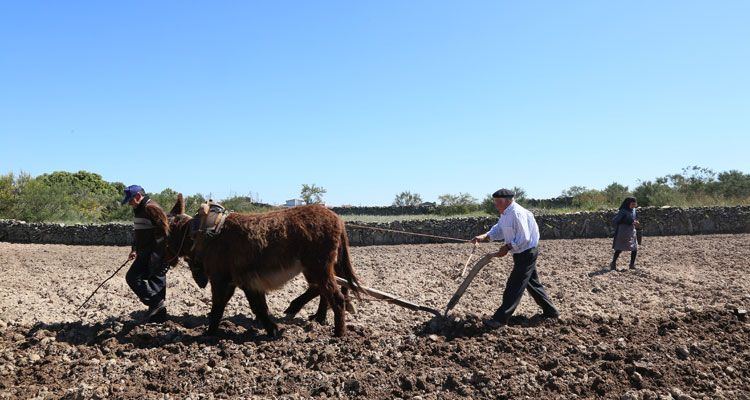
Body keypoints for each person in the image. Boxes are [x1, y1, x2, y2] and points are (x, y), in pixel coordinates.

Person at [472, 188, 559, 329]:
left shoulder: (517, 213)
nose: (495, 205)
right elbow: (499, 229)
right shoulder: (506, 213)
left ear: (507, 201)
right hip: (520, 253)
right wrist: (484, 236)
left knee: (514, 285)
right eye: (495, 201)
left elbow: (524, 238)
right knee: (532, 284)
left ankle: (500, 319)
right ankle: (551, 312)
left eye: (498, 202)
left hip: (527, 252)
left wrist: (506, 248)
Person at [121, 185, 170, 323]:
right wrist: (134, 249)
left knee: (134, 277)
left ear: (137, 196)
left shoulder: (151, 208)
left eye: (130, 200)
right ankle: (157, 312)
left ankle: (156, 306)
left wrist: (157, 256)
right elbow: (139, 233)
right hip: (144, 252)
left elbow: (165, 233)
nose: (129, 203)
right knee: (154, 284)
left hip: (154, 254)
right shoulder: (139, 209)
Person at [610, 197, 639, 270]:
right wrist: (629, 221)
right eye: (632, 204)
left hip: (632, 231)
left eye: (634, 204)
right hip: (623, 231)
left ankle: (632, 265)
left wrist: (635, 222)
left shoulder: (634, 210)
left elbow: (633, 218)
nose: (633, 206)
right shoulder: (622, 211)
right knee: (620, 248)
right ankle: (613, 263)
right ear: (628, 203)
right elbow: (616, 221)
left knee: (635, 248)